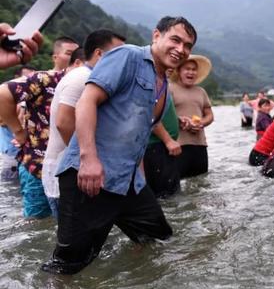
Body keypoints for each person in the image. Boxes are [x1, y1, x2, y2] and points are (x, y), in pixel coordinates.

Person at [41, 16, 197, 275]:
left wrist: (142, 180)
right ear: (156, 35)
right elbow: (87, 101)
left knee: (158, 238)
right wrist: (88, 159)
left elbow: (138, 136)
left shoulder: (162, 84)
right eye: (176, 39)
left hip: (129, 183)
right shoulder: (127, 56)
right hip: (90, 178)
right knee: (70, 264)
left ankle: (136, 285)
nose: (181, 49)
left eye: (188, 45)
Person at [43, 30, 127, 212]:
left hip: (76, 172)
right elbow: (63, 122)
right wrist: (86, 160)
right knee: (72, 236)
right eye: (118, 53)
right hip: (67, 171)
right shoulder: (82, 77)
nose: (123, 59)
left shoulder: (94, 78)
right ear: (98, 53)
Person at [0, 65, 67, 218]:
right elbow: (3, 96)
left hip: (61, 167)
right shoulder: (43, 81)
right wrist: (18, 131)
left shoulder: (81, 86)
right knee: (35, 218)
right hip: (31, 163)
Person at [170, 54, 214, 178]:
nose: (191, 72)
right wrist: (180, 121)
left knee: (201, 183)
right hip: (178, 145)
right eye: (187, 69)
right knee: (179, 184)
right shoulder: (169, 89)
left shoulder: (201, 91)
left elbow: (209, 115)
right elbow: (163, 116)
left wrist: (201, 123)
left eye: (194, 69)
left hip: (200, 145)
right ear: (179, 71)